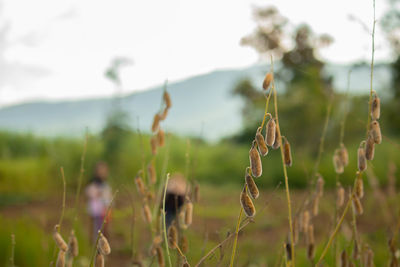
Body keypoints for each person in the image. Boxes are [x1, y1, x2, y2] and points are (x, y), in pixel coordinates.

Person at [85, 161, 112, 242]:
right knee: (95, 230)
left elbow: (109, 198)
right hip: (95, 211)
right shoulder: (92, 185)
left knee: (104, 231)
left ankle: (102, 245)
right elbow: (89, 194)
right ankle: (94, 245)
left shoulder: (106, 185)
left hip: (104, 212)